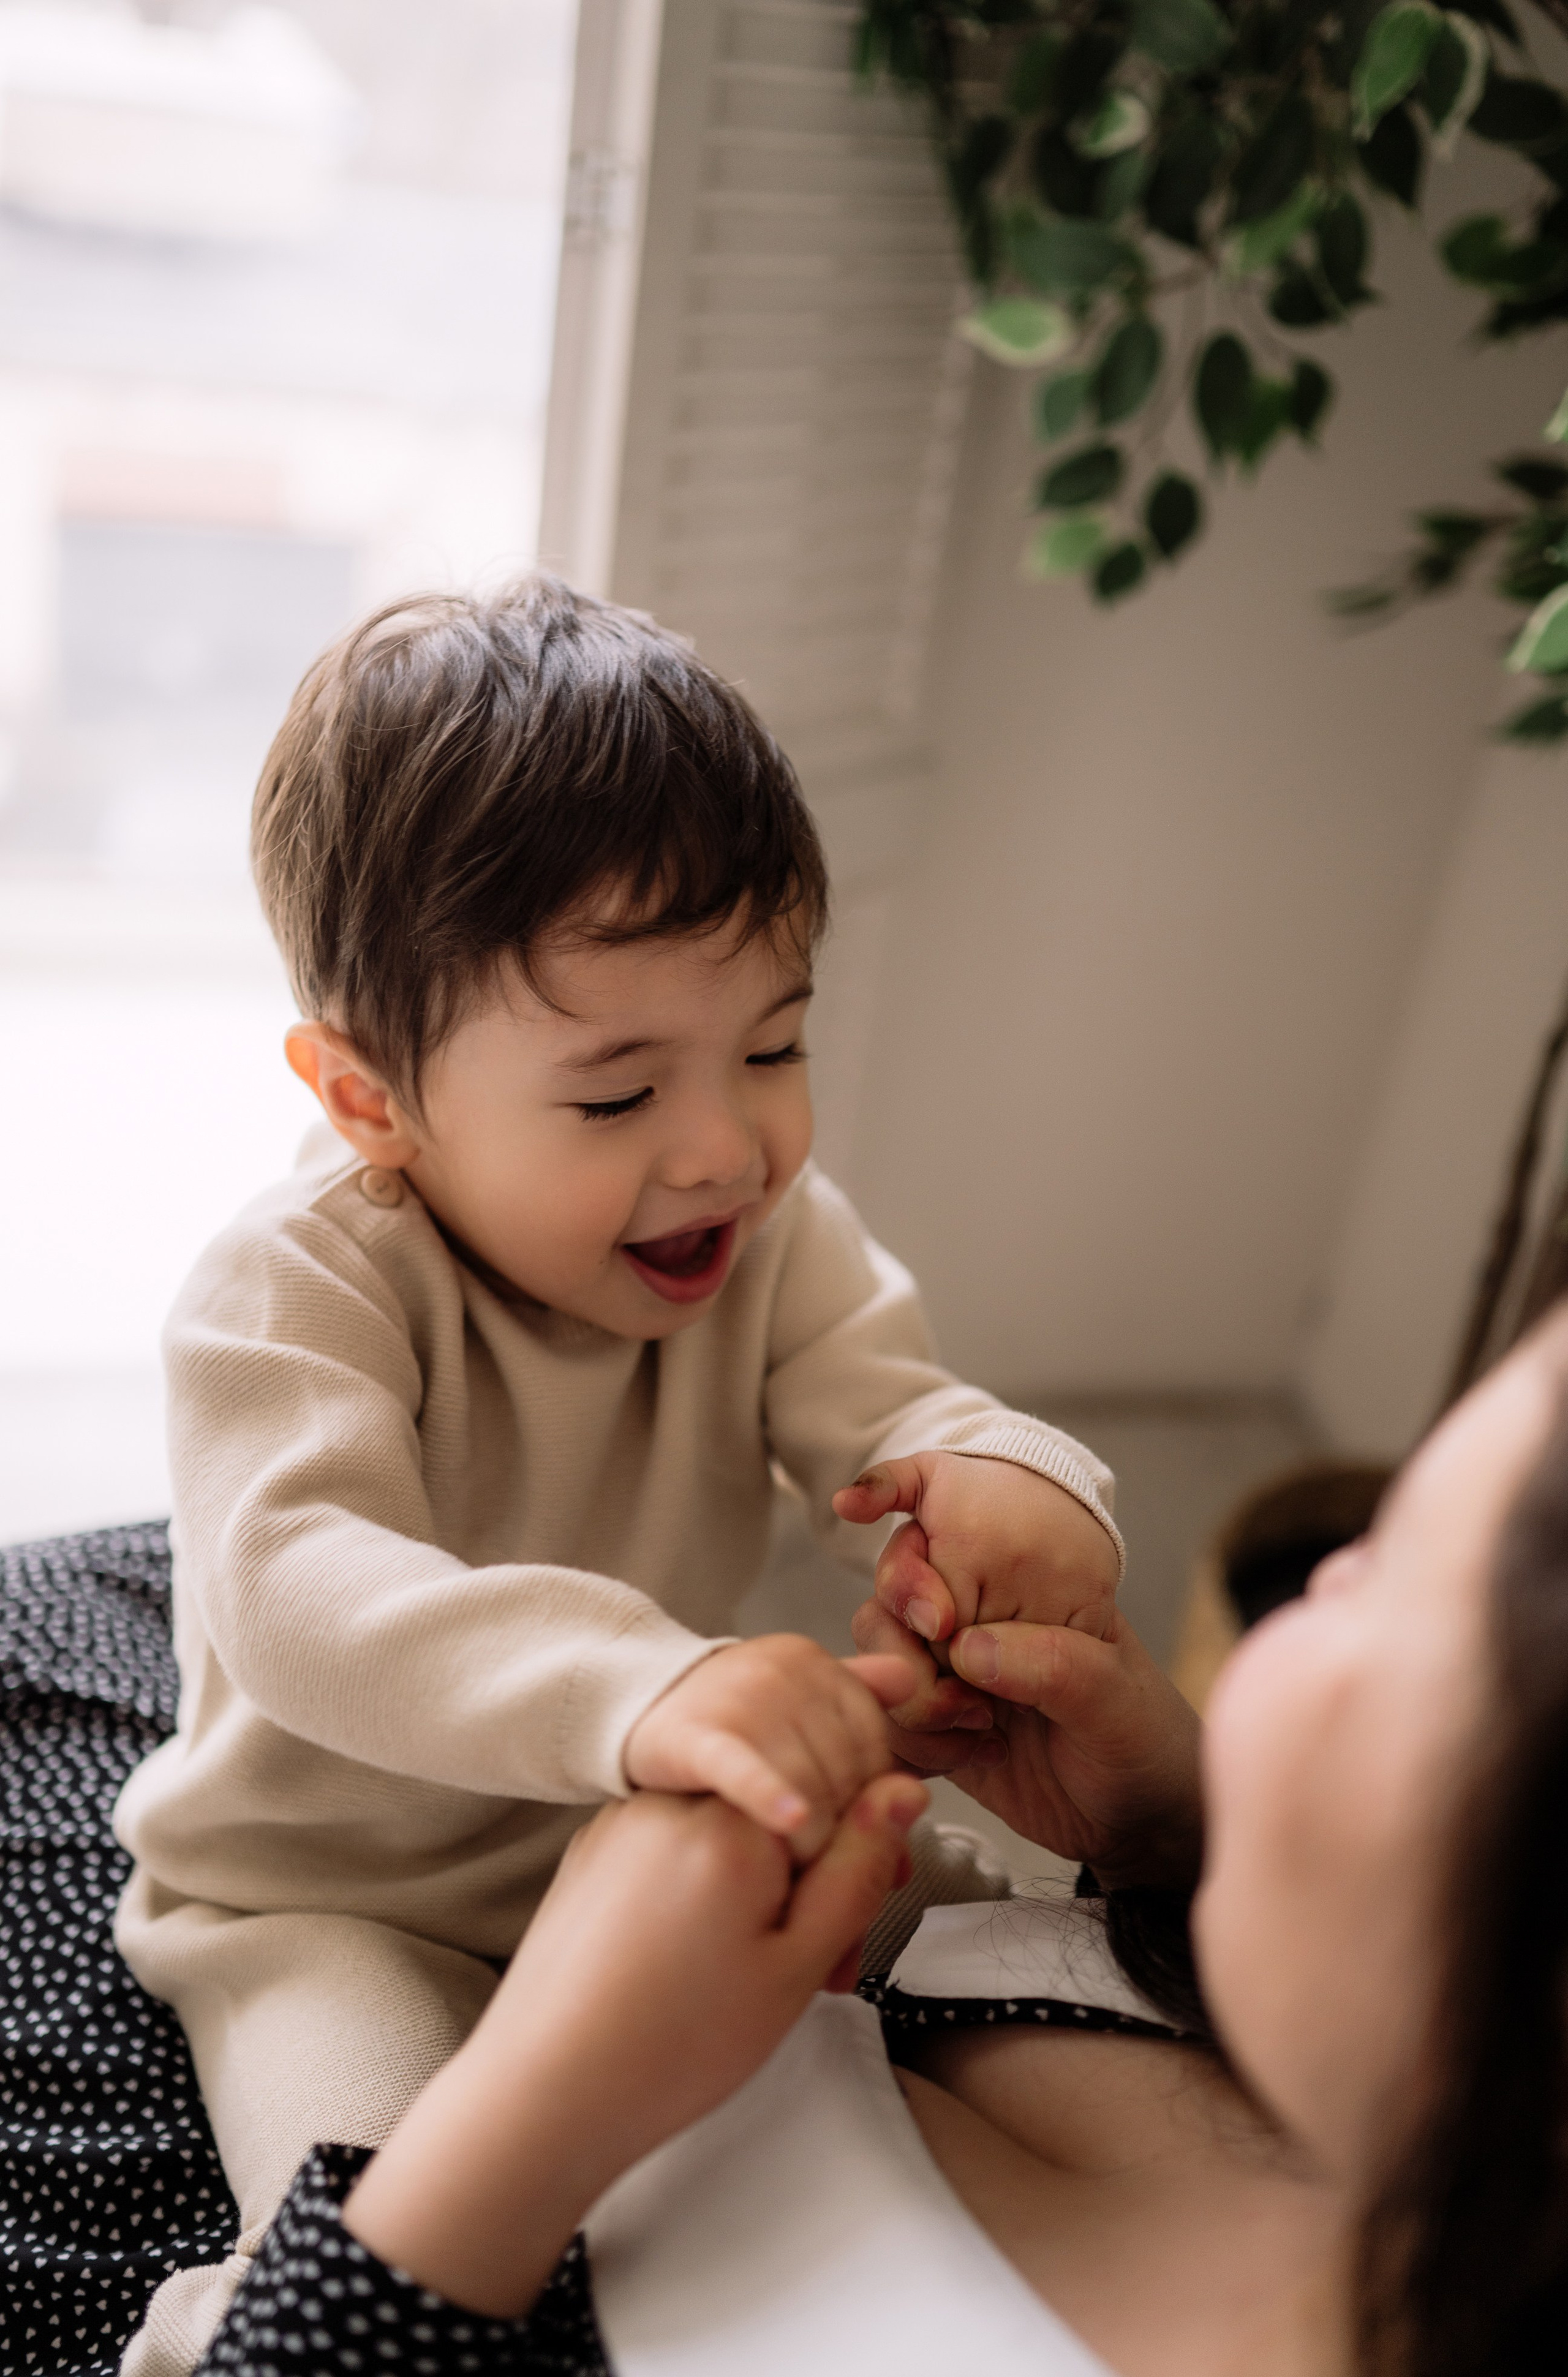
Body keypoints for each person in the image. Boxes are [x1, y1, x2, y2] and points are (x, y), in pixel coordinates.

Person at [110, 576, 1126, 2373]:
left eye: (773, 1046)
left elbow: (892, 1403)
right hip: (341, 1899)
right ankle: (217, 2341)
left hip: (643, 1828)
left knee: (1022, 1930)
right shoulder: (295, 1288)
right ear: (369, 1100)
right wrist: (645, 1685)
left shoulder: (768, 1234)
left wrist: (1006, 1476)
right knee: (389, 2196)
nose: (727, 1146)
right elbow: (298, 1592)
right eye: (613, 1095)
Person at [187, 1305, 1568, 2376]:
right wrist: (1175, 1843)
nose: (1327, 1568)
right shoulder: (1371, 2095)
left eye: (1384, 1578)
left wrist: (537, 2099)